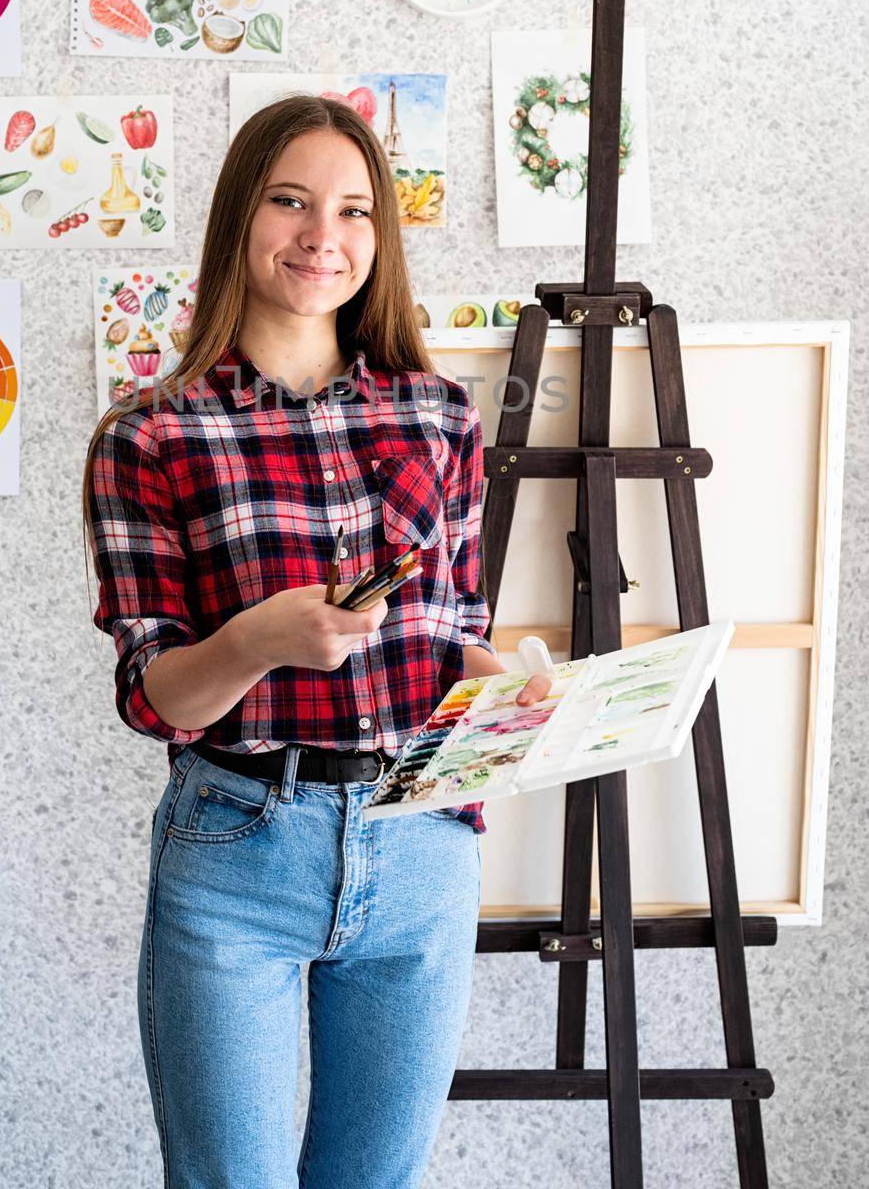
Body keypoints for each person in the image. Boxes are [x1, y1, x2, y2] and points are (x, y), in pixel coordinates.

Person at [82, 94, 550, 1189]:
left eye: (352, 210)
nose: (321, 236)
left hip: (425, 848)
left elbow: (455, 635)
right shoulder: (152, 435)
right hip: (239, 847)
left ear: (380, 239)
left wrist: (503, 687)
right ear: (241, 217)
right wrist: (254, 640)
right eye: (290, 201)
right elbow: (156, 697)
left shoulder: (440, 416)